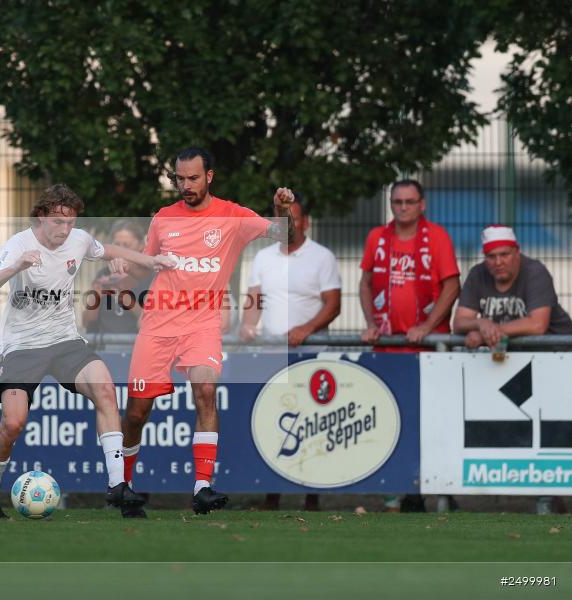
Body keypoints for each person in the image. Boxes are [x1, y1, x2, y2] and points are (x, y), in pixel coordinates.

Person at [0, 184, 175, 518]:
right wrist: (16, 267)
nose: (64, 230)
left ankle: (117, 488)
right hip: (22, 346)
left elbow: (109, 250)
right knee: (13, 424)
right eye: (57, 222)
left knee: (106, 391)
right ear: (41, 216)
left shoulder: (78, 239)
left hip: (65, 341)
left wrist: (150, 260)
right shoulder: (19, 244)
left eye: (70, 223)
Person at [121, 147, 294, 518]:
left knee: (206, 391)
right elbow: (145, 268)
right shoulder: (163, 219)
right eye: (180, 179)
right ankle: (125, 485)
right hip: (157, 325)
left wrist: (283, 209)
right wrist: (125, 268)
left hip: (202, 324)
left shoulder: (233, 216)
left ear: (209, 176)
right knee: (136, 413)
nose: (186, 185)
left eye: (193, 178)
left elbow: (283, 234)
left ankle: (202, 487)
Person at [453, 225, 571, 515]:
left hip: (557, 359)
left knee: (558, 434)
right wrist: (481, 324)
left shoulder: (535, 272)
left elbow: (537, 324)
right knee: (525, 434)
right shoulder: (478, 275)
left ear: (517, 252)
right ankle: (548, 496)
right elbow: (460, 321)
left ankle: (552, 495)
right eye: (492, 256)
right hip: (517, 363)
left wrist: (486, 331)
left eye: (505, 254)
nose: (498, 262)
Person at [359, 179, 459, 513]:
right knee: (389, 422)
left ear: (422, 204)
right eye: (397, 202)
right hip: (388, 350)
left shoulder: (439, 237)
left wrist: (428, 327)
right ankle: (397, 494)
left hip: (428, 351)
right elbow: (365, 282)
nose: (402, 208)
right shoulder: (377, 237)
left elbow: (451, 285)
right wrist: (372, 322)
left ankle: (438, 493)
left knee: (430, 424)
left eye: (409, 201)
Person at [239, 193, 341, 511]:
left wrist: (305, 331)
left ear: (305, 222)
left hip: (310, 356)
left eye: (293, 218)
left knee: (311, 426)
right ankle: (273, 495)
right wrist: (247, 324)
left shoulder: (322, 257)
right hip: (270, 356)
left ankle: (312, 496)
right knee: (273, 423)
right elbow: (254, 299)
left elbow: (334, 304)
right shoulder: (262, 257)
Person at [82, 219, 152, 335]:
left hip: (135, 347)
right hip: (106, 348)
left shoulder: (149, 276)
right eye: (117, 245)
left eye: (127, 245)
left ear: (141, 246)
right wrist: (96, 296)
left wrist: (125, 296)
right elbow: (86, 322)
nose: (120, 251)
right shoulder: (104, 274)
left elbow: (151, 322)